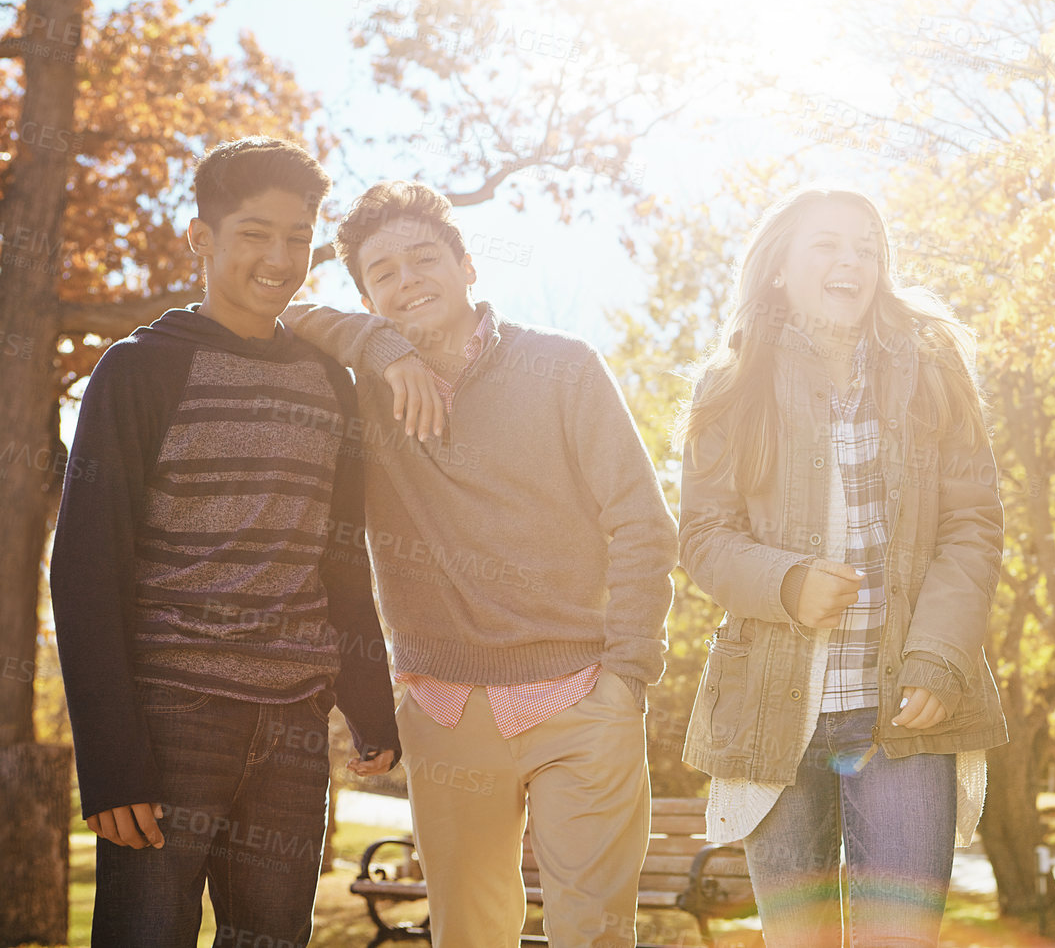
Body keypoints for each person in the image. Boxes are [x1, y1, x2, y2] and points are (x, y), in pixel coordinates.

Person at [281, 181, 677, 948]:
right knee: (466, 933)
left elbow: (641, 523)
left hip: (581, 696)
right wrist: (382, 349)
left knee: (592, 931)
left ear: (468, 266)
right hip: (443, 707)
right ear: (367, 296)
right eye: (382, 273)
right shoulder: (362, 391)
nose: (408, 280)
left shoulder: (564, 367)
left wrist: (628, 673)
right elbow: (291, 315)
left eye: (424, 258)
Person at [52, 137, 399, 948]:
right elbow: (85, 568)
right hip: (170, 717)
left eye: (297, 235)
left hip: (292, 728)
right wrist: (110, 759)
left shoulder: (329, 382)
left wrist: (368, 700)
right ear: (201, 239)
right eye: (254, 232)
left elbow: (340, 556)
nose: (280, 256)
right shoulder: (138, 370)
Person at [676, 185, 1007, 947]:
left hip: (903, 708)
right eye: (826, 244)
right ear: (779, 270)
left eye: (866, 246)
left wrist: (937, 656)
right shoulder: (730, 385)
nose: (850, 260)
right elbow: (703, 536)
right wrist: (786, 581)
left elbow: (972, 525)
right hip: (773, 709)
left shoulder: (932, 369)